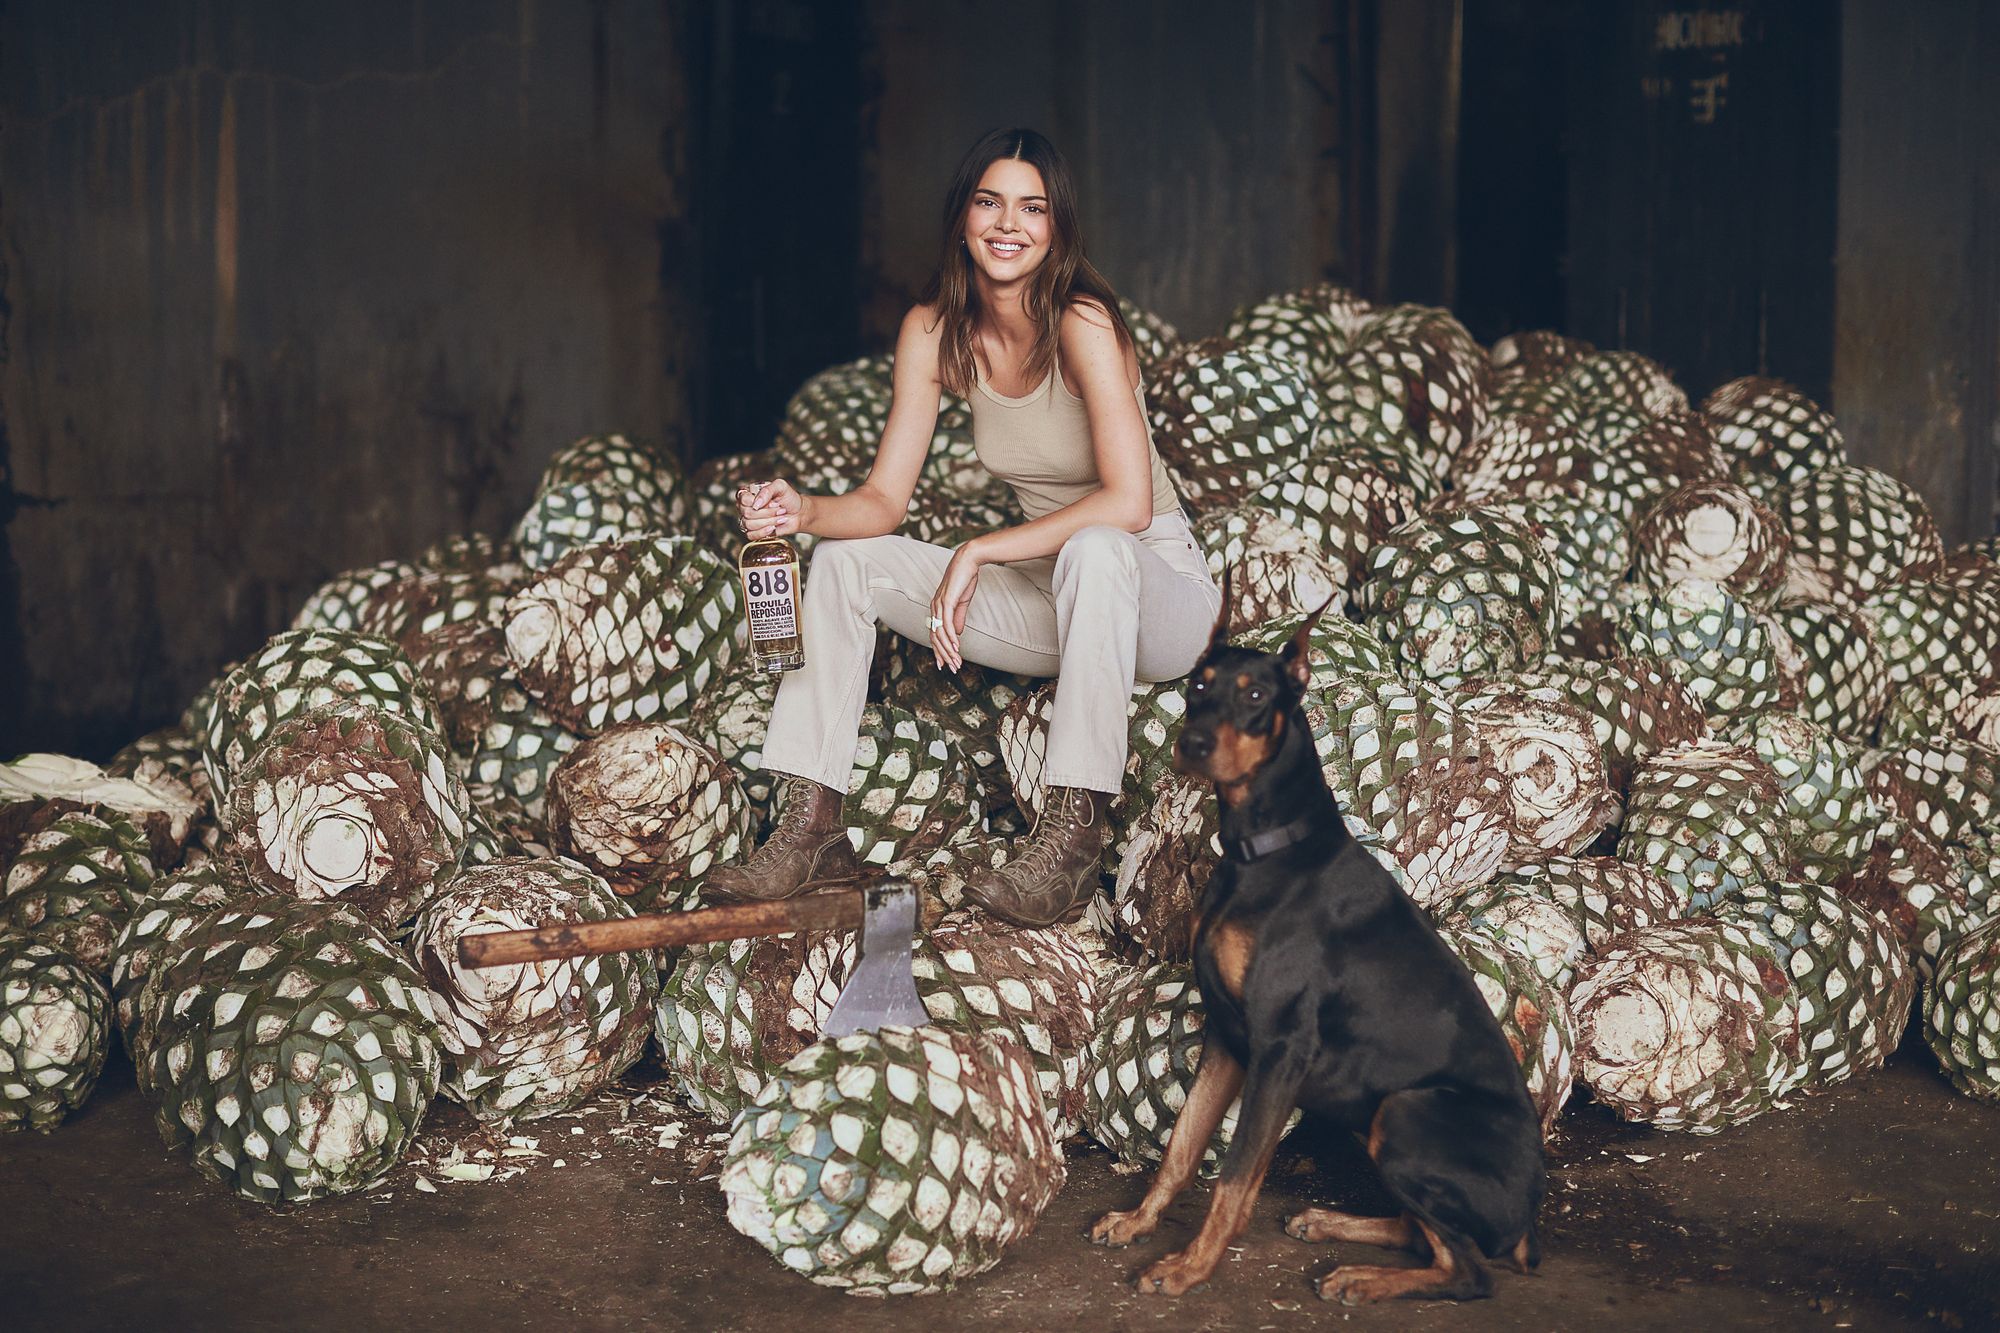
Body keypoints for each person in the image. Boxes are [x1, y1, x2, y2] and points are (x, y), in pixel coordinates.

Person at [707, 127, 1221, 928]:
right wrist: (800, 510)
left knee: (1093, 547)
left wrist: (979, 549)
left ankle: (1073, 842)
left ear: (1057, 229)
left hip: (1156, 593)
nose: (1007, 224)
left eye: (1032, 207)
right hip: (1058, 596)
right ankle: (810, 826)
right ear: (962, 217)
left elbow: (1129, 505)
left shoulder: (1083, 323)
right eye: (989, 202)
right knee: (846, 559)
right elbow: (883, 500)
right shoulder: (932, 332)